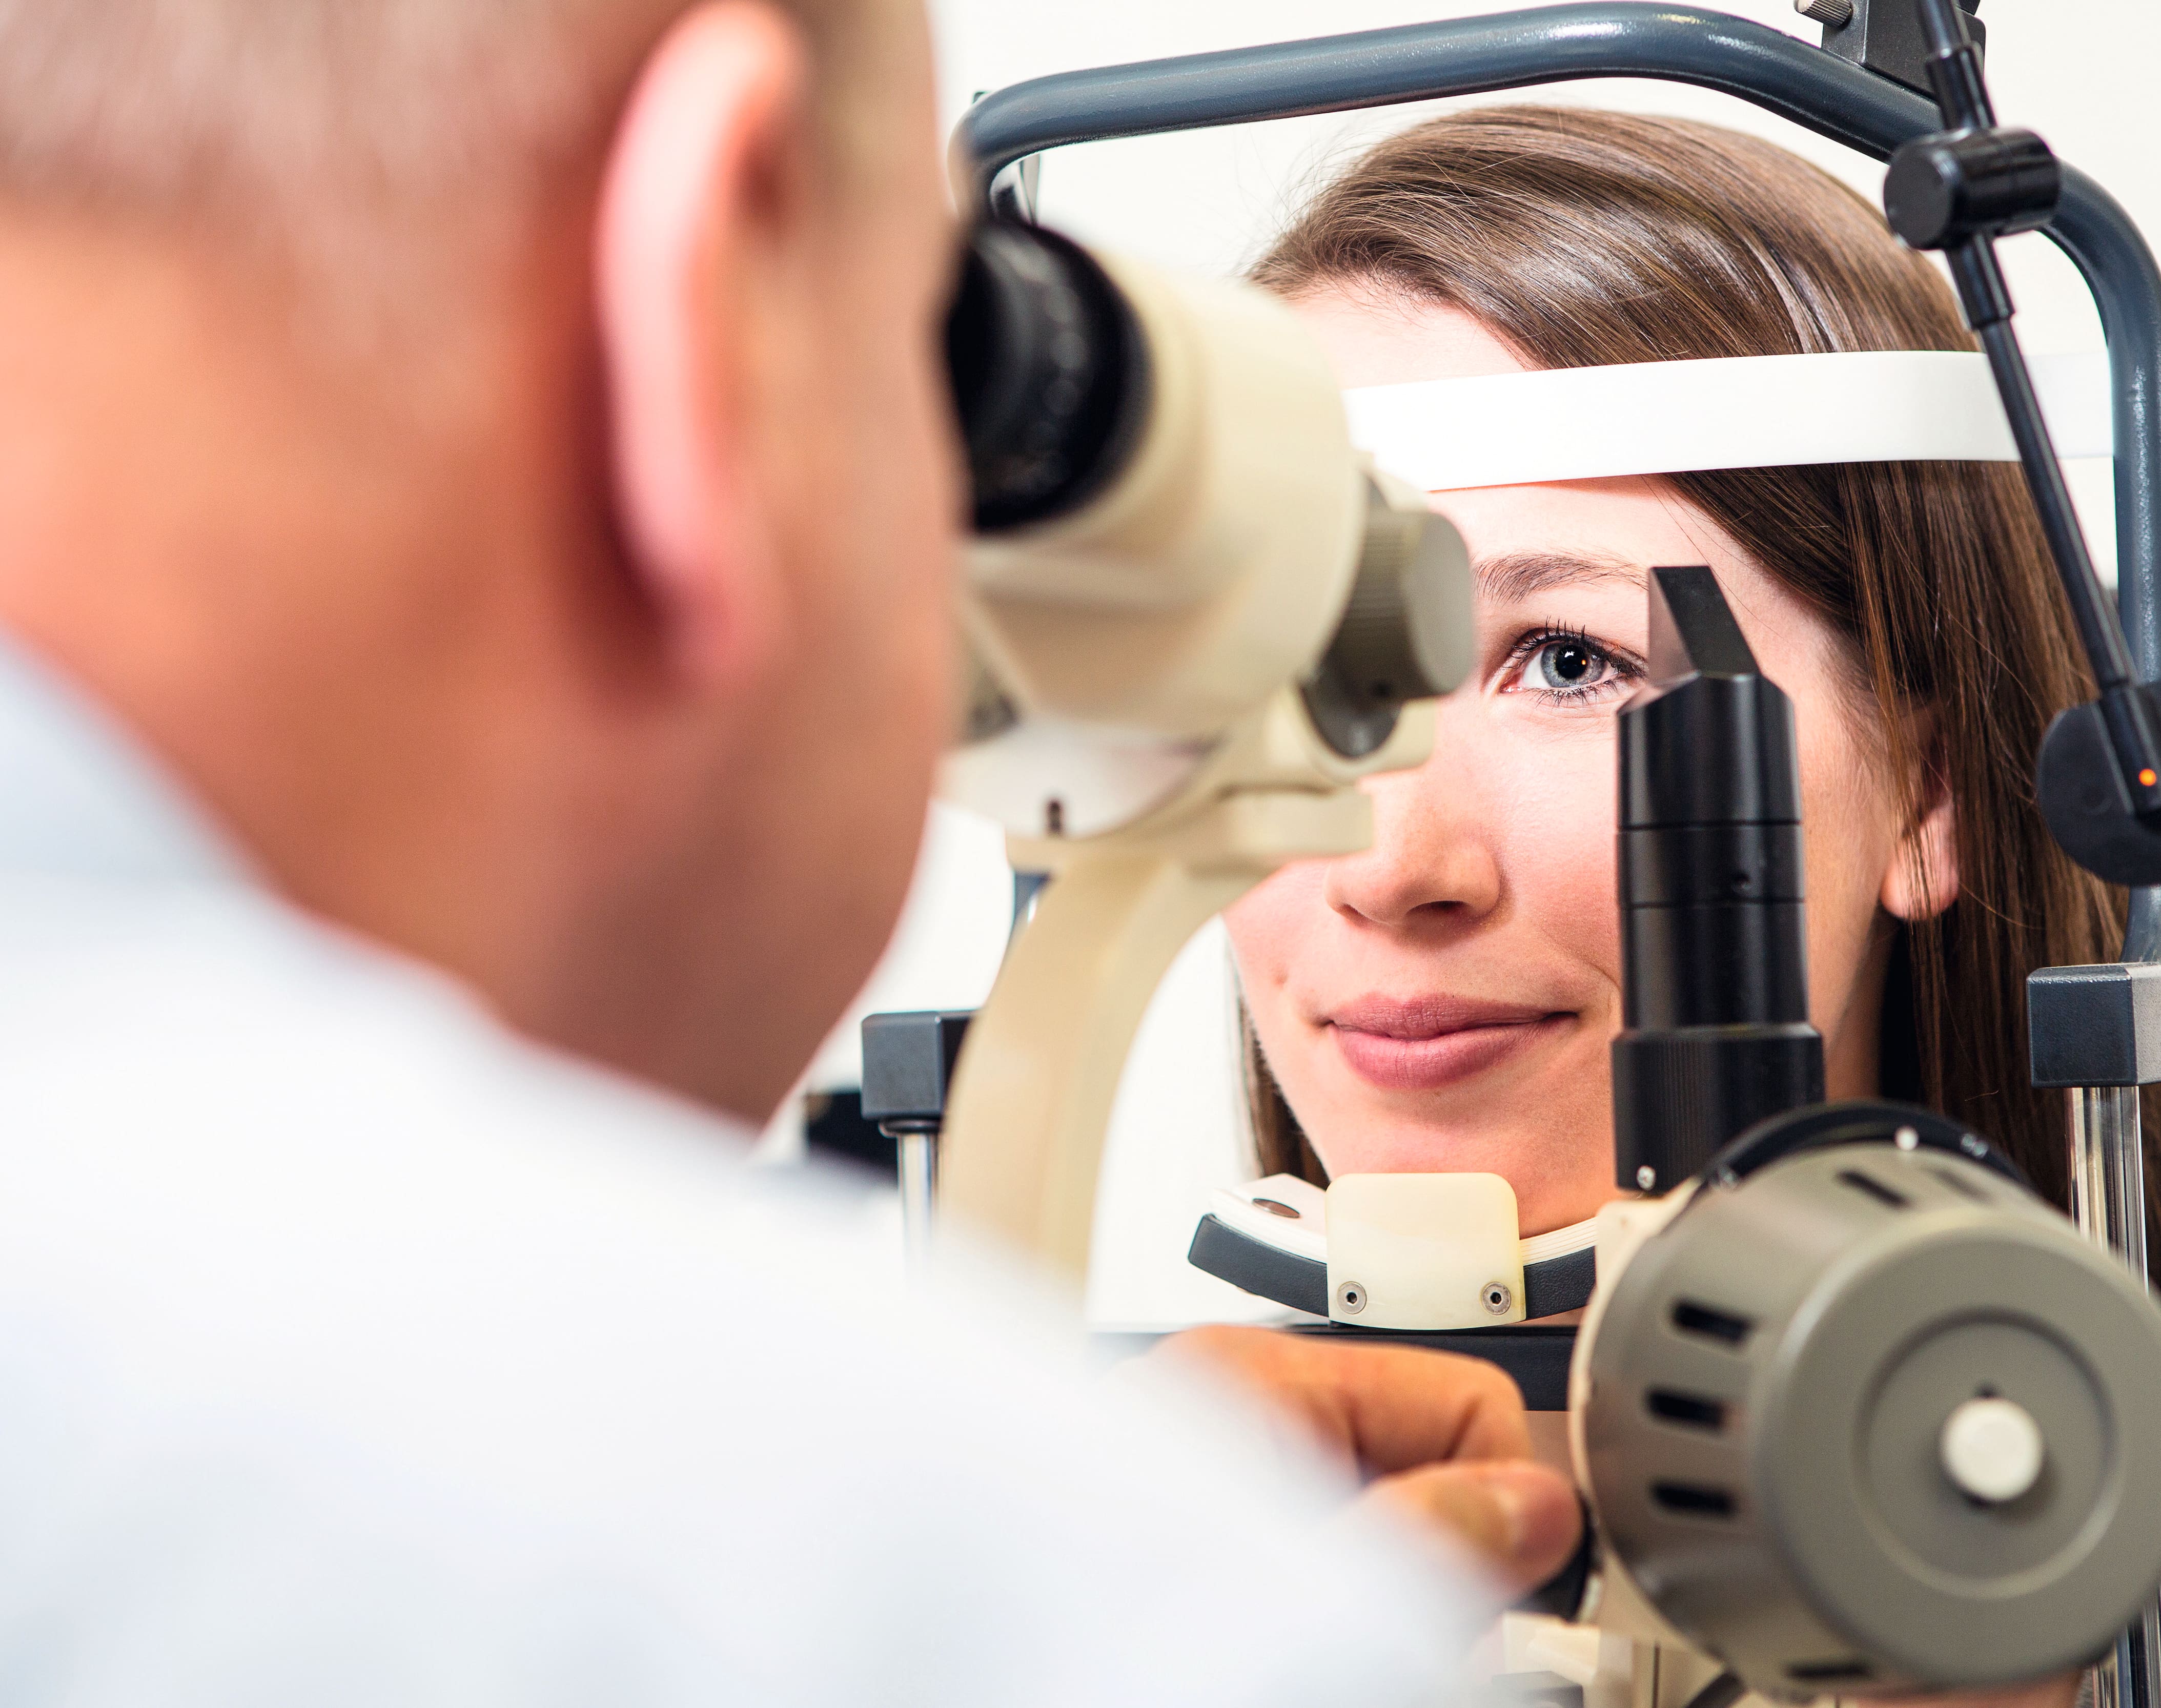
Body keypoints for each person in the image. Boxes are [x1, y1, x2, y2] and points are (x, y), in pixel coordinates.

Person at [0, 2, 1587, 1699]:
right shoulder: (957, 1597)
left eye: (1575, 662)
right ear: (718, 308)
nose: (1397, 857)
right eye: (926, 337)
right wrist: (1046, 1562)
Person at [1220, 106, 2161, 1706]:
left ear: (1927, 789)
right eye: (1308, 670)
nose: (1389, 861)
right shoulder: (1055, 1566)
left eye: (1574, 662)